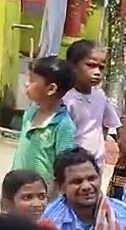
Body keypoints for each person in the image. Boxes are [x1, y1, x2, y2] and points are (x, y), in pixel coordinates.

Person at [42, 148, 126, 230]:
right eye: (77, 181)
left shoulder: (124, 215)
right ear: (60, 186)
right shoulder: (50, 219)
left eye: (91, 179)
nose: (86, 186)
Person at [11, 56, 77, 186]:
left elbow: (64, 168)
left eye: (32, 80)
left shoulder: (63, 125)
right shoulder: (30, 113)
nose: (26, 84)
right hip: (18, 187)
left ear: (51, 89)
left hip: (42, 195)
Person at [61, 40, 120, 169]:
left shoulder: (100, 97)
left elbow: (107, 123)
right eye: (91, 65)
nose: (97, 72)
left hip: (96, 163)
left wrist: (100, 147)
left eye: (101, 67)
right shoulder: (65, 98)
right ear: (72, 66)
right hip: (71, 163)